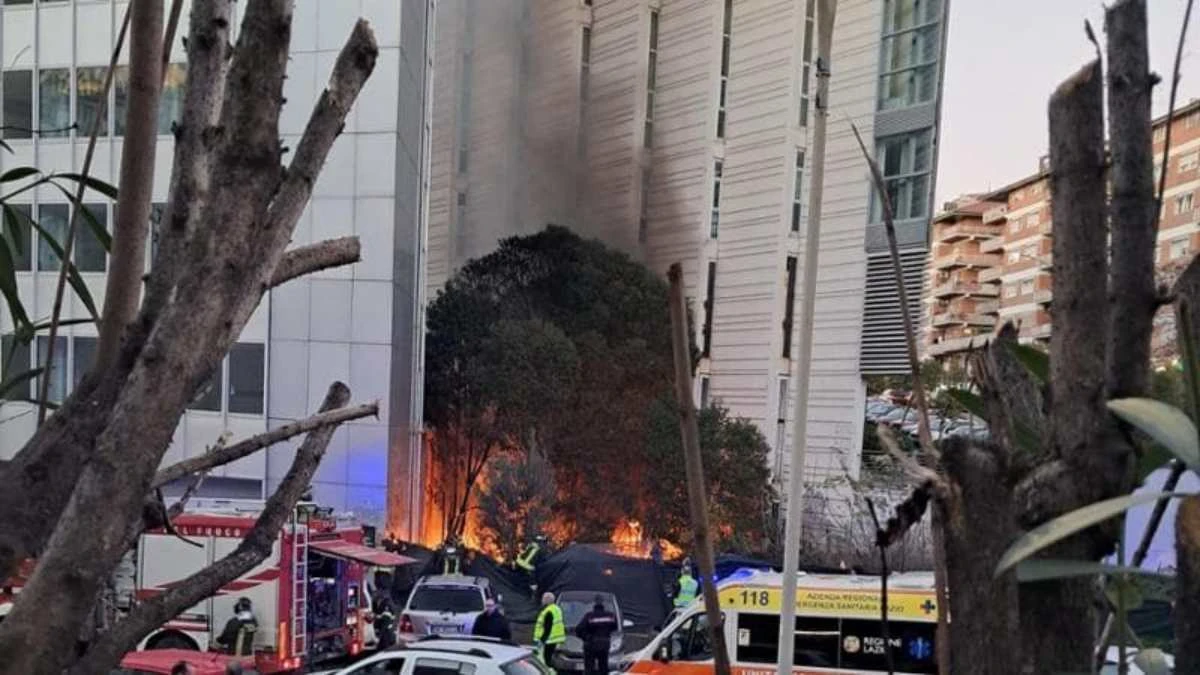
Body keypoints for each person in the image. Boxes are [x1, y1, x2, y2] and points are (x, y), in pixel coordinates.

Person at [575, 595, 619, 675]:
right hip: (605, 644)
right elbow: (615, 627)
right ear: (603, 603)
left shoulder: (589, 616)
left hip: (591, 644)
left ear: (594, 604)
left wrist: (586, 637)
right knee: (603, 666)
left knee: (589, 668)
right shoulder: (610, 616)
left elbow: (578, 629)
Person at [534, 591, 566, 671]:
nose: (542, 600)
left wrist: (541, 641)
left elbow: (547, 628)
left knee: (545, 661)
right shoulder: (556, 609)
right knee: (549, 660)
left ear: (546, 600)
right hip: (555, 639)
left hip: (548, 640)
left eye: (543, 599)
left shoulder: (548, 611)